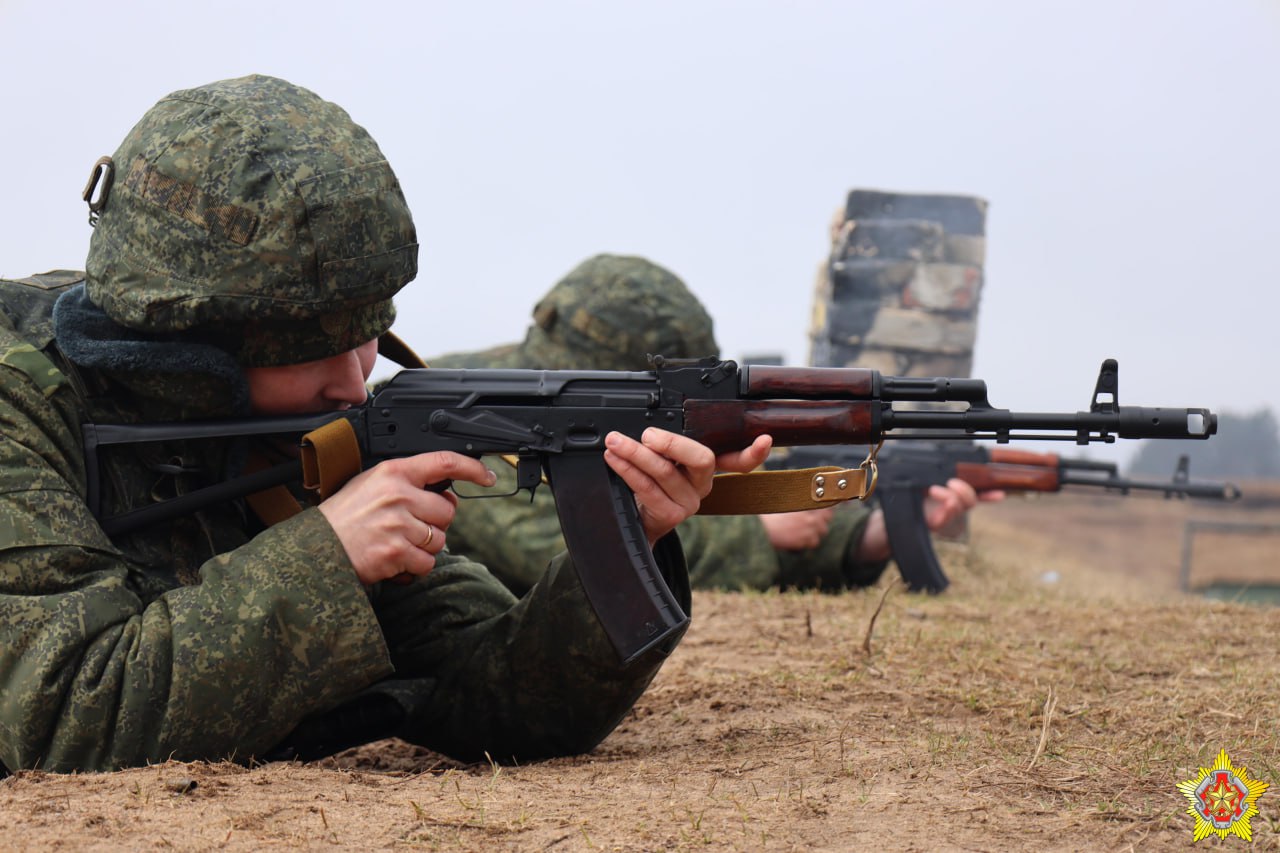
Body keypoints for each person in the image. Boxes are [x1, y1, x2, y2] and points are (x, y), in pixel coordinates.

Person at [0, 75, 770, 774]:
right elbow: (59, 720)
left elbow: (496, 697)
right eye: (309, 348)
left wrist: (633, 528)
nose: (352, 378)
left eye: (367, 331)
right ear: (192, 350)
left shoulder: (287, 430)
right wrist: (326, 556)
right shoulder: (21, 409)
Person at [428, 253, 991, 596]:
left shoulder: (555, 407)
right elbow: (549, 544)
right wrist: (755, 535)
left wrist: (874, 537)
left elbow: (664, 508)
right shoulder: (463, 408)